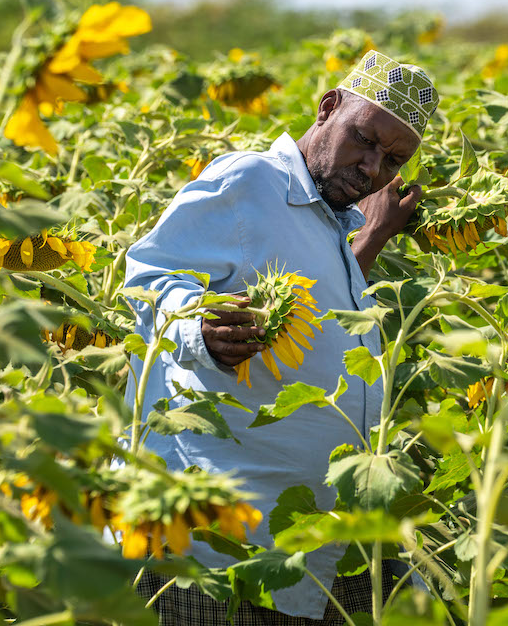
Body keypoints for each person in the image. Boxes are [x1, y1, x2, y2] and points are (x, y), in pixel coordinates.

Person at [123, 49, 439, 624]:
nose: (373, 169)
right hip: (214, 542)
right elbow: (149, 275)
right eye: (364, 140)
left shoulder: (328, 220)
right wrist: (199, 328)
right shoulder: (252, 182)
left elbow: (310, 314)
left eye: (393, 160)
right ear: (328, 108)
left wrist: (370, 239)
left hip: (303, 545)